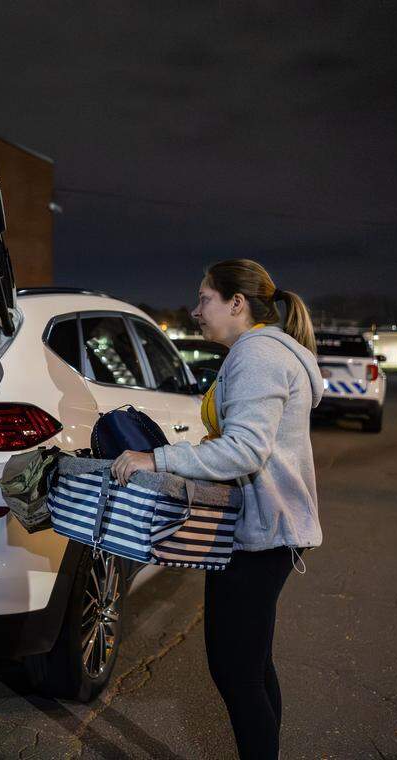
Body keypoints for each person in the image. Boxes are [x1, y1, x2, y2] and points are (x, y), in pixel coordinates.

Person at [111, 259, 323, 760]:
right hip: (260, 531)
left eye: (204, 298)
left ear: (237, 303)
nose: (195, 309)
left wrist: (156, 458)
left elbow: (245, 449)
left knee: (236, 671)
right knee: (251, 667)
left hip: (260, 533)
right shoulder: (259, 353)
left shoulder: (258, 355)